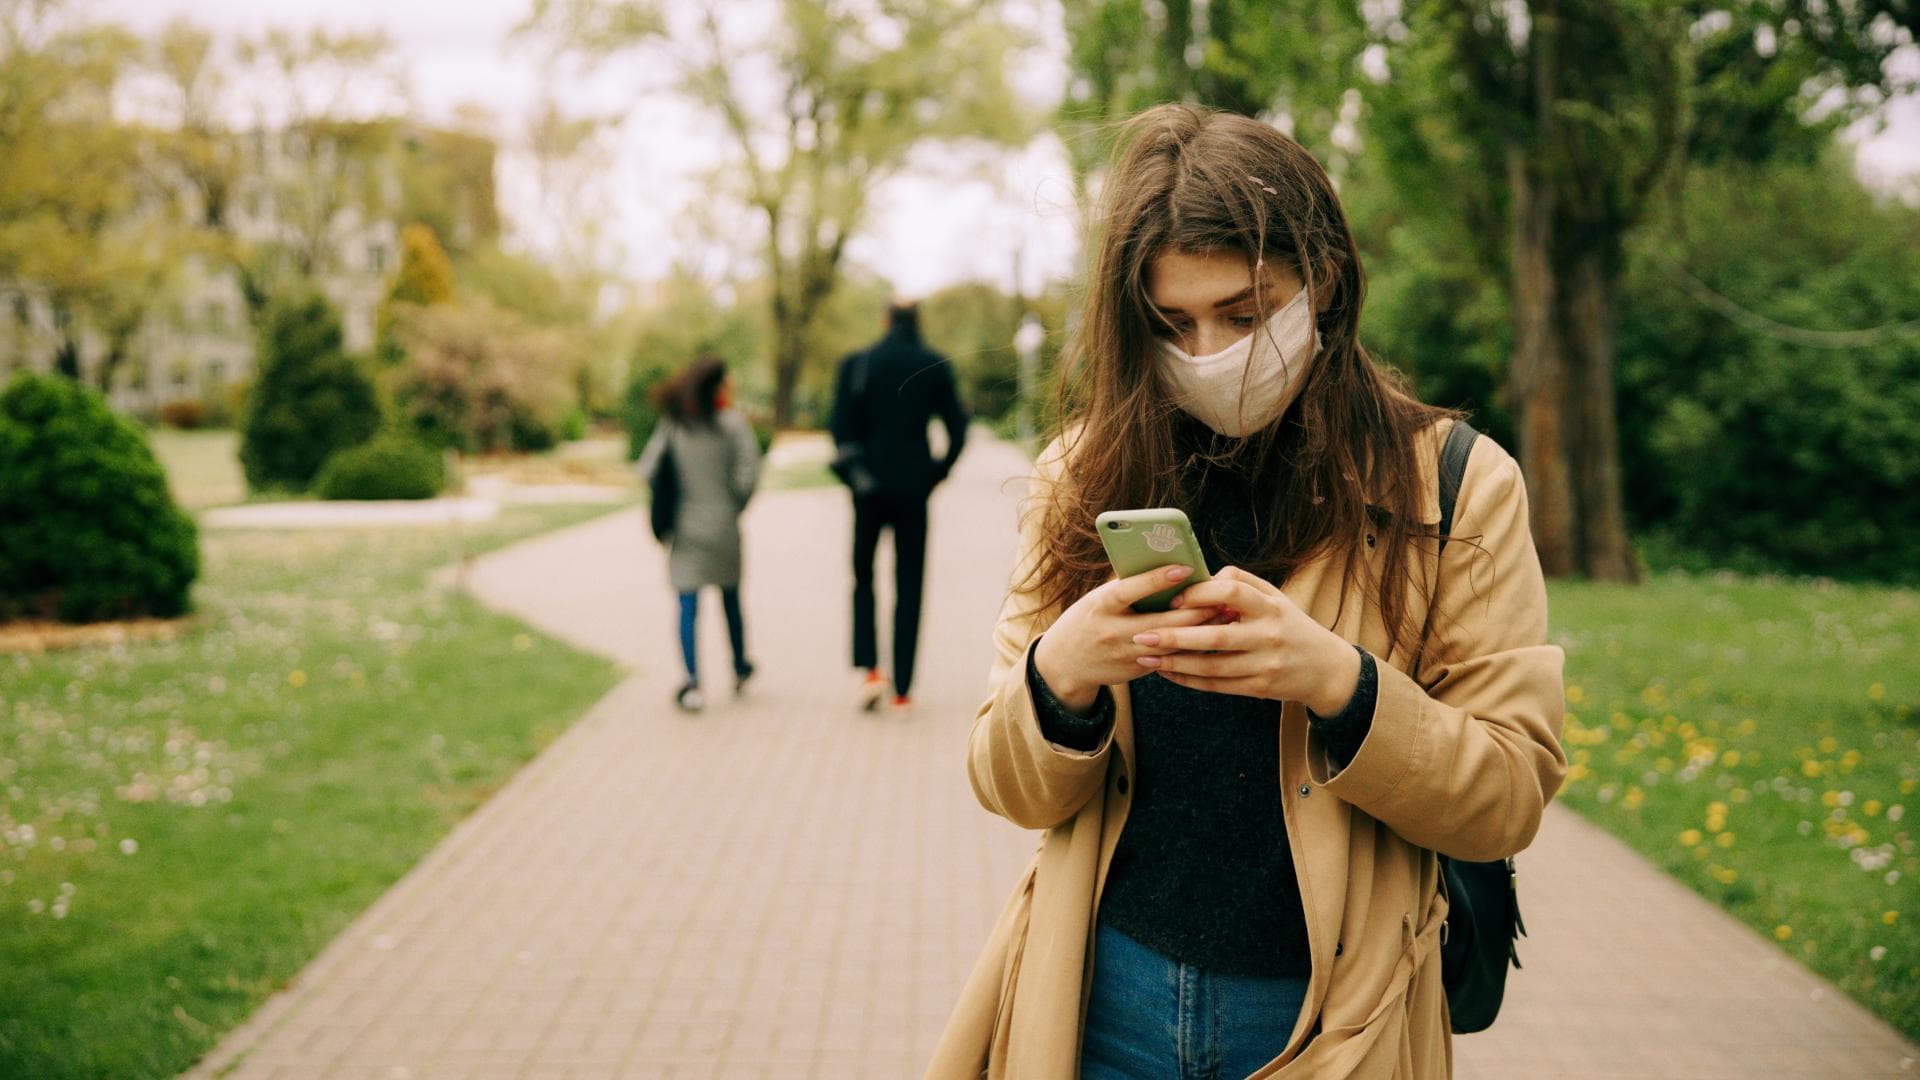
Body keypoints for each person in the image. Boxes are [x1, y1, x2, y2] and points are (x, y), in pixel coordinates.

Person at [926, 105, 1567, 1079]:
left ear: (1327, 283)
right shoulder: (1083, 478)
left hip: (1330, 1022)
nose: (1210, 350)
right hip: (1103, 999)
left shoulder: (1455, 485)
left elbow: (1508, 794)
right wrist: (1061, 677)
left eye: (1246, 312)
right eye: (1172, 323)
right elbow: (1006, 784)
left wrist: (1342, 685)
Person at [829, 300, 969, 711]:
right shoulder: (933, 364)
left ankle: (871, 670)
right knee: (910, 584)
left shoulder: (858, 363)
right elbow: (958, 430)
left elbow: (839, 428)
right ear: (917, 323)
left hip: (867, 490)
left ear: (885, 321)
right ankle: (904, 688)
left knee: (863, 576)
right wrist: (936, 473)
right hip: (913, 489)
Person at [635, 356, 762, 714]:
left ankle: (692, 682)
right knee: (731, 600)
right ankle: (739, 666)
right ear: (718, 387)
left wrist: (673, 499)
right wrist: (733, 504)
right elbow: (748, 476)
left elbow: (648, 467)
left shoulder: (676, 425)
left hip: (686, 528)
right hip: (724, 526)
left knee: (688, 606)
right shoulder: (733, 426)